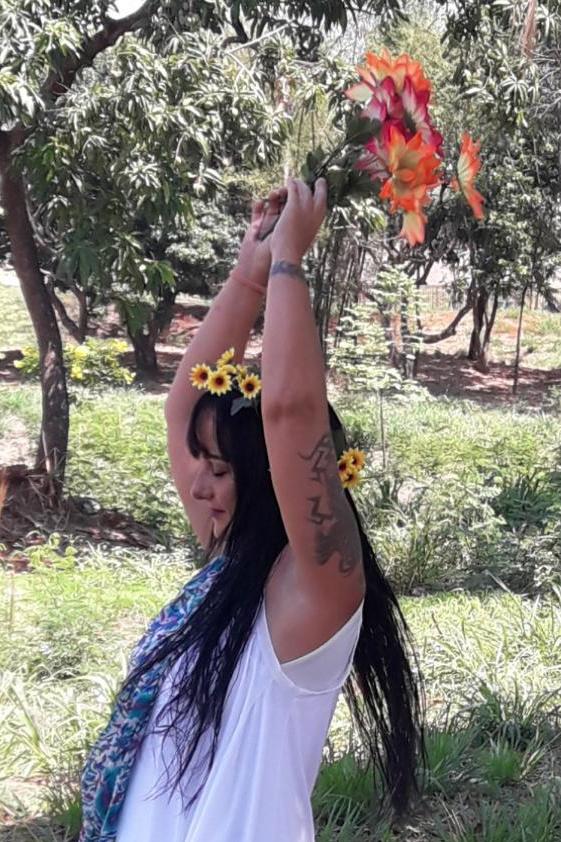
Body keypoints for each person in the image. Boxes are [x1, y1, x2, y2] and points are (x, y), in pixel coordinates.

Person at [79, 179, 425, 842]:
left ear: (272, 481)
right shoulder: (230, 563)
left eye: (220, 469)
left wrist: (292, 260)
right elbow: (183, 409)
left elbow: (290, 415)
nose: (197, 486)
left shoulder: (315, 595)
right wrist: (250, 272)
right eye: (199, 464)